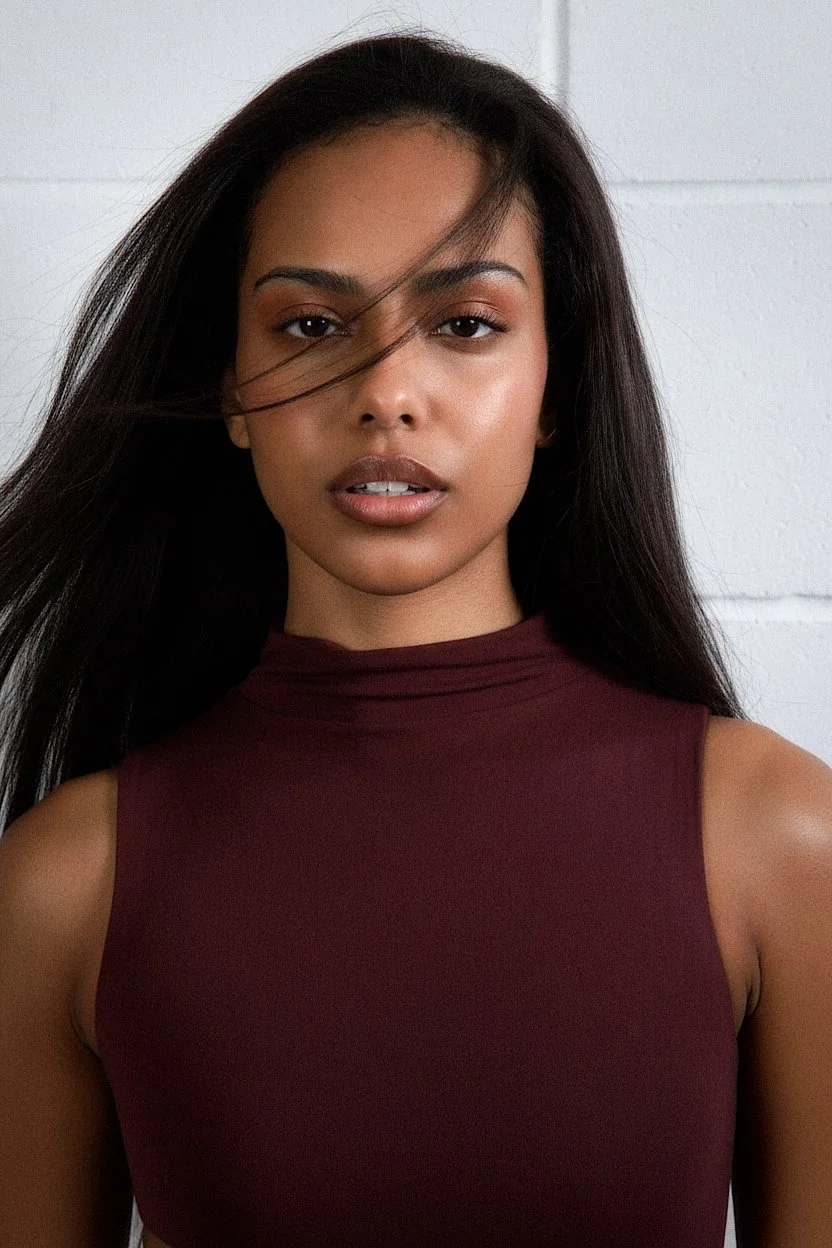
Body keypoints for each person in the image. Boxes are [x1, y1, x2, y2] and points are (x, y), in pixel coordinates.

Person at [0, 29, 830, 1248]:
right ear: (230, 390)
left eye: (467, 324)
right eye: (310, 327)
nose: (387, 391)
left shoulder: (774, 843)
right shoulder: (67, 887)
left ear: (557, 386)